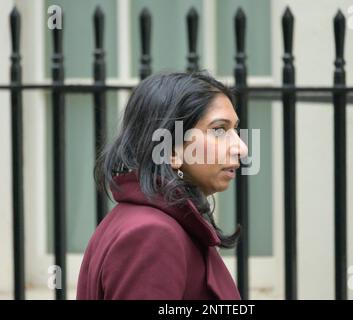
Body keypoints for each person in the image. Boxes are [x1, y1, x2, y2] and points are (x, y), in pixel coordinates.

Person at [76, 71, 248, 300]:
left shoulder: (152, 222)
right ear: (171, 148)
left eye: (235, 129)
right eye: (219, 130)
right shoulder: (152, 234)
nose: (241, 148)